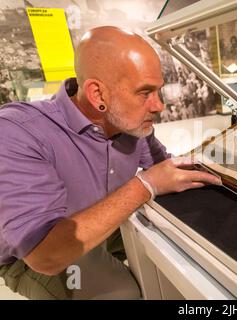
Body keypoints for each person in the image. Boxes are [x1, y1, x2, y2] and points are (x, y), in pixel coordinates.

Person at [0, 26, 221, 300]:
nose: (159, 106)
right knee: (122, 295)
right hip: (34, 256)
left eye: (158, 91)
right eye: (145, 92)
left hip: (109, 228)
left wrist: (227, 167)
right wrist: (145, 184)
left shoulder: (131, 124)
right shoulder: (18, 131)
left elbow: (166, 167)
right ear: (98, 95)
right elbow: (45, 255)